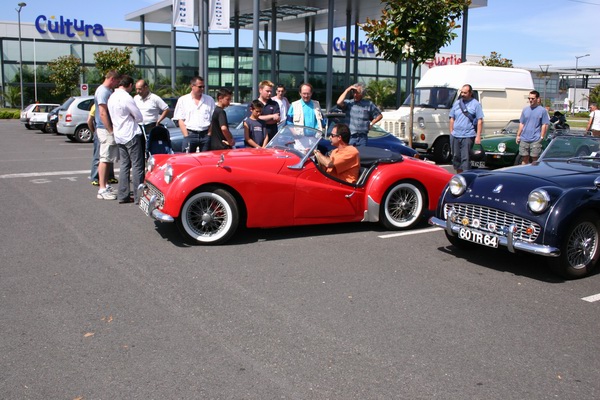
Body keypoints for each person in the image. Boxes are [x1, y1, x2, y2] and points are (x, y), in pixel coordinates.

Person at [107, 75, 144, 204]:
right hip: (130, 133)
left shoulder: (112, 97)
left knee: (124, 165)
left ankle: (123, 195)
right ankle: (139, 197)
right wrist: (133, 118)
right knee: (137, 166)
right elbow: (139, 116)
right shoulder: (126, 97)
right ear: (130, 85)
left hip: (119, 134)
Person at [94, 70, 121, 200]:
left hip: (105, 128)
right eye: (117, 82)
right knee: (105, 158)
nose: (117, 84)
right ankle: (102, 189)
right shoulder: (103, 91)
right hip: (104, 129)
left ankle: (105, 185)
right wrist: (110, 130)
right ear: (112, 79)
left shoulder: (105, 91)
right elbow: (103, 112)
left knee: (108, 158)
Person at [173, 76, 215, 152]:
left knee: (205, 158)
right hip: (190, 134)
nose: (202, 89)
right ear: (192, 86)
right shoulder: (183, 100)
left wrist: (209, 134)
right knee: (187, 158)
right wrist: (186, 135)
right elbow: (180, 119)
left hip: (205, 135)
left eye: (203, 87)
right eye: (200, 87)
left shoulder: (209, 100)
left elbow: (213, 119)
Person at [448, 84, 484, 173]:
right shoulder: (457, 103)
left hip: (468, 136)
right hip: (455, 135)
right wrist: (451, 132)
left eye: (465, 93)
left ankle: (465, 177)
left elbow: (480, 121)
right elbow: (452, 118)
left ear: (470, 93)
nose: (463, 94)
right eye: (462, 92)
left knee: (466, 159)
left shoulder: (476, 104)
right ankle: (459, 177)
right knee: (456, 158)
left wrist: (478, 136)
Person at [134, 79, 169, 154]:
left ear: (146, 87)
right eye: (136, 89)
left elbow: (166, 109)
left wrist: (159, 121)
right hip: (139, 126)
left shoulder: (154, 98)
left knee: (150, 148)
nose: (138, 91)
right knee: (139, 149)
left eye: (140, 89)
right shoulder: (136, 98)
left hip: (151, 126)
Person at [516, 90, 550, 164]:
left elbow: (544, 124)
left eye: (532, 98)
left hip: (535, 139)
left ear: (537, 99)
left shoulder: (542, 110)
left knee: (534, 158)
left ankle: (535, 170)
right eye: (529, 98)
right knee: (524, 158)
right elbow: (521, 123)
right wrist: (518, 135)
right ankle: (524, 170)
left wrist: (542, 137)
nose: (530, 100)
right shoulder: (525, 109)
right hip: (524, 138)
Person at [87, 103, 116, 186]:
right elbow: (89, 120)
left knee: (109, 155)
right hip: (101, 131)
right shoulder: (96, 106)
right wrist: (94, 131)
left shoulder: (108, 105)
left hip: (105, 130)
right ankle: (95, 177)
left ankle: (110, 176)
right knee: (98, 156)